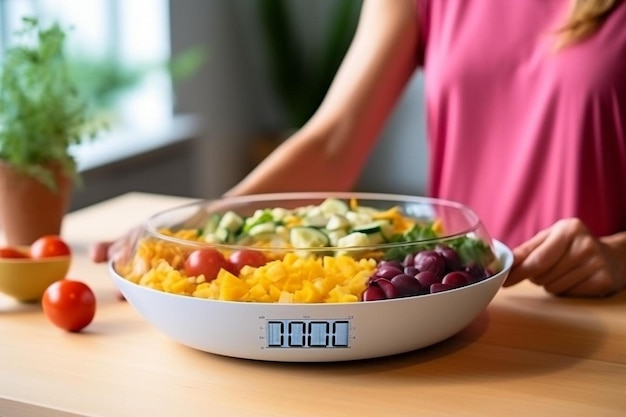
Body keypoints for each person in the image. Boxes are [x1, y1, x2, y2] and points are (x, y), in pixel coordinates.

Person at [92, 0, 626, 297]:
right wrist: (191, 230)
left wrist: (620, 257)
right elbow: (335, 137)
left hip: (597, 311)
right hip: (451, 299)